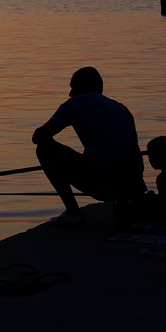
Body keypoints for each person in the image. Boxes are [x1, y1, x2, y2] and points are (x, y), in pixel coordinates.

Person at [32, 66, 146, 227]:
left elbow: (39, 137)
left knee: (45, 148)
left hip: (104, 184)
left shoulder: (75, 103)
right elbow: (132, 151)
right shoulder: (121, 108)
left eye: (73, 87)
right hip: (132, 185)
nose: (70, 94)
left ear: (84, 86)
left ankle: (73, 213)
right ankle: (123, 203)